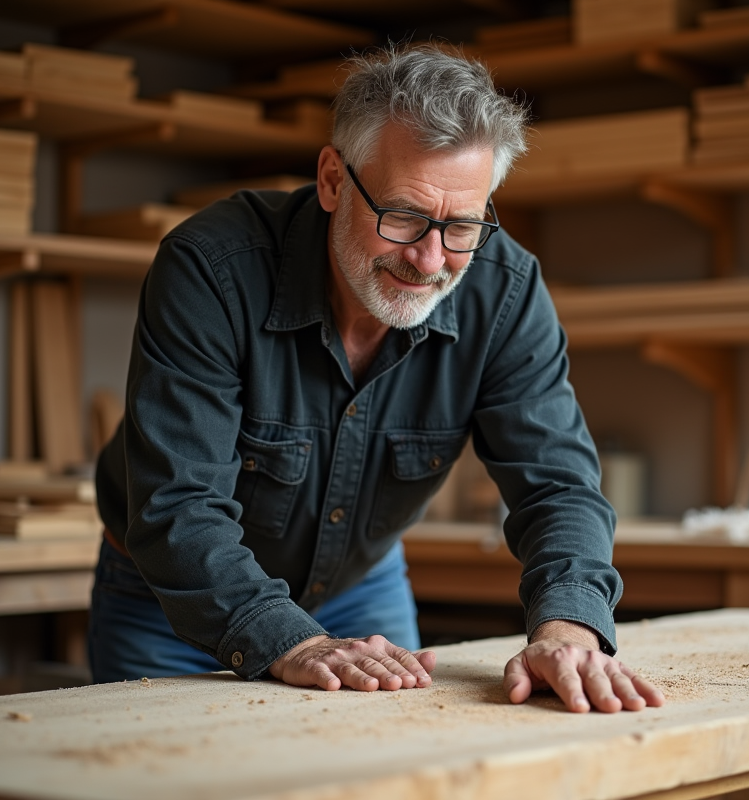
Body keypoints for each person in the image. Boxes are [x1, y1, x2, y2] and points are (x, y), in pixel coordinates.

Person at [88, 43, 664, 715]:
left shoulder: (505, 292)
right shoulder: (211, 270)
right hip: (174, 598)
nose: (429, 259)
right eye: (404, 216)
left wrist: (567, 629)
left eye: (461, 227)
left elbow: (560, 486)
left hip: (360, 590)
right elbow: (178, 508)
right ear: (333, 179)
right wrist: (290, 641)